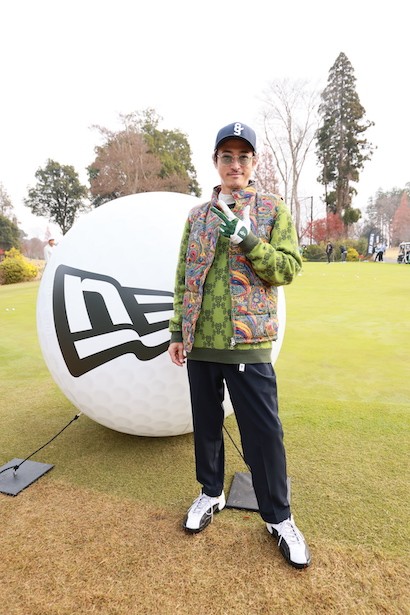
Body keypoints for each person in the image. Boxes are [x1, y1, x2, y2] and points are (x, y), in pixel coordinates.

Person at [168, 122, 311, 569]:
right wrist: (177, 332)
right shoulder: (197, 215)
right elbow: (184, 278)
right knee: (206, 424)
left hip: (248, 342)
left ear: (254, 162)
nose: (235, 164)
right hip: (201, 342)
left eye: (243, 157)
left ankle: (279, 517)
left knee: (263, 433)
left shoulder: (271, 209)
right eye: (226, 156)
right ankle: (211, 493)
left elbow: (288, 268)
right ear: (215, 162)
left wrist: (248, 239)